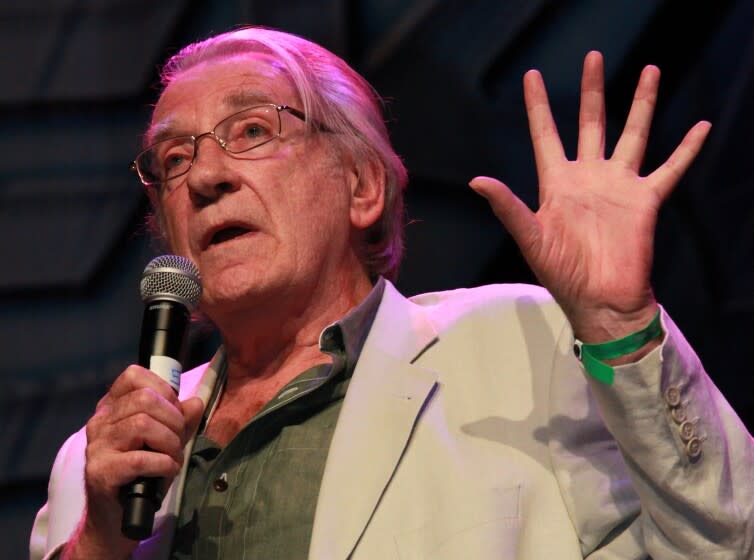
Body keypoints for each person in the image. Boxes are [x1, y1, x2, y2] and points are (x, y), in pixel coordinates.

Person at [29, 25, 754, 560]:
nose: (205, 177)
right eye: (174, 158)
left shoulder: (522, 344)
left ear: (363, 185)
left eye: (251, 129)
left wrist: (620, 324)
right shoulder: (93, 469)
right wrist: (96, 542)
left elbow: (726, 541)